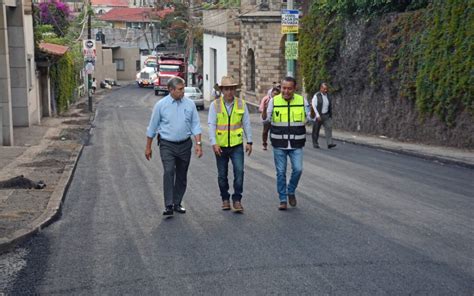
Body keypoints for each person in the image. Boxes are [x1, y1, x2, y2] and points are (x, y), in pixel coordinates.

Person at [145, 76, 203, 217]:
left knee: (182, 175)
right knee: (169, 171)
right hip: (167, 145)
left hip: (184, 144)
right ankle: (169, 205)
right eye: (180, 89)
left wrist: (198, 144)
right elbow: (152, 127)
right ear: (170, 90)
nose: (183, 92)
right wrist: (148, 147)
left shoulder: (189, 104)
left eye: (183, 89)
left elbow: (195, 124)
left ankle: (177, 203)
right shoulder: (161, 105)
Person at [262, 76, 315, 210]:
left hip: (296, 143)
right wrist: (264, 109)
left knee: (298, 169)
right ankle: (282, 199)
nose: (286, 91)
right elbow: (266, 120)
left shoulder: (301, 100)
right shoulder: (274, 101)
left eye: (289, 88)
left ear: (294, 89)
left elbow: (311, 118)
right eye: (284, 88)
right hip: (279, 143)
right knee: (280, 172)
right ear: (281, 88)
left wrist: (313, 109)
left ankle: (290, 190)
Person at [208, 76, 253, 212]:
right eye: (226, 89)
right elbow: (211, 125)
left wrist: (249, 141)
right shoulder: (215, 105)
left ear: (235, 90)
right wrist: (214, 143)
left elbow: (246, 123)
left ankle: (237, 199)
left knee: (239, 172)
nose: (229, 92)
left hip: (236, 145)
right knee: (222, 175)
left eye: (232, 89)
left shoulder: (241, 104)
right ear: (222, 90)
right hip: (220, 146)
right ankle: (225, 199)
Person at [311, 82, 336, 149]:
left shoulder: (328, 95)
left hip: (326, 115)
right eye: (324, 89)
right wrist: (317, 115)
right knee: (316, 129)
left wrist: (330, 114)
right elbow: (313, 105)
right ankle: (315, 143)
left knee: (329, 127)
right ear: (321, 88)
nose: (325, 90)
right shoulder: (317, 95)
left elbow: (329, 105)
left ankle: (329, 143)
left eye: (326, 89)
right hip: (318, 115)